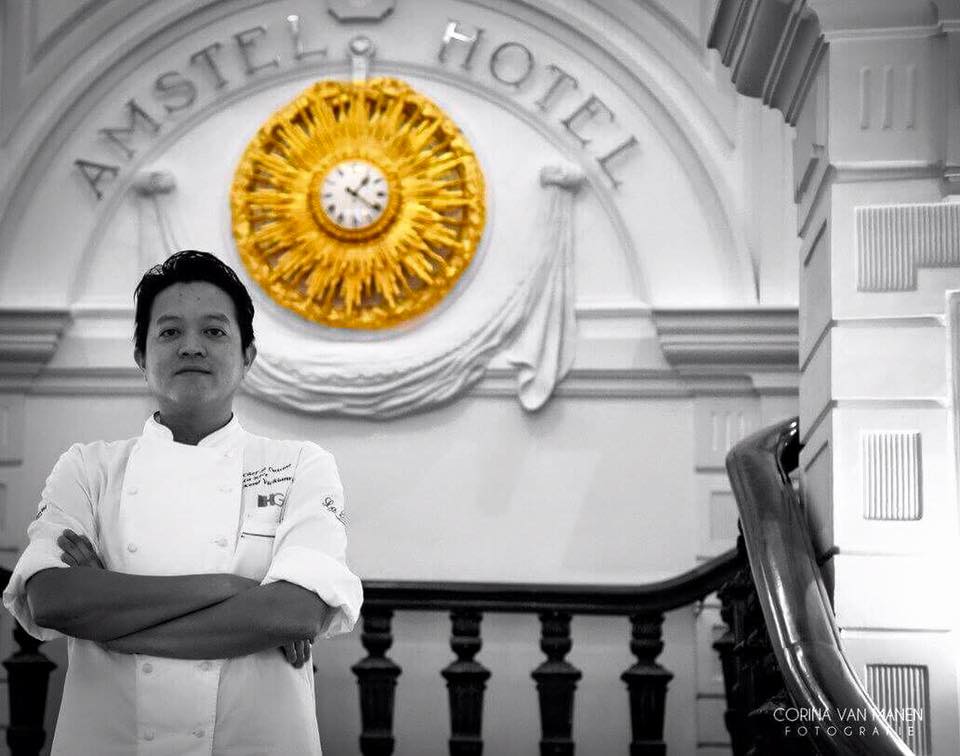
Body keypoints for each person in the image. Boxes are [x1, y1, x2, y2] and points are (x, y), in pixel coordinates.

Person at [2, 250, 363, 755]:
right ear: (140, 355)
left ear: (248, 355)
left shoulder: (301, 465)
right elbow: (53, 600)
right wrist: (236, 589)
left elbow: (295, 612)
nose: (191, 346)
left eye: (214, 331)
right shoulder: (87, 468)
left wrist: (109, 616)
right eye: (169, 332)